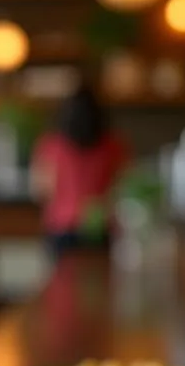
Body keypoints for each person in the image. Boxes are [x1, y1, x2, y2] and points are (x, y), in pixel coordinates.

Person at [30, 85, 129, 258]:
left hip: (61, 226)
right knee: (100, 281)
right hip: (100, 226)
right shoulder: (114, 146)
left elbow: (42, 189)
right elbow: (123, 186)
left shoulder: (52, 145)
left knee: (62, 281)